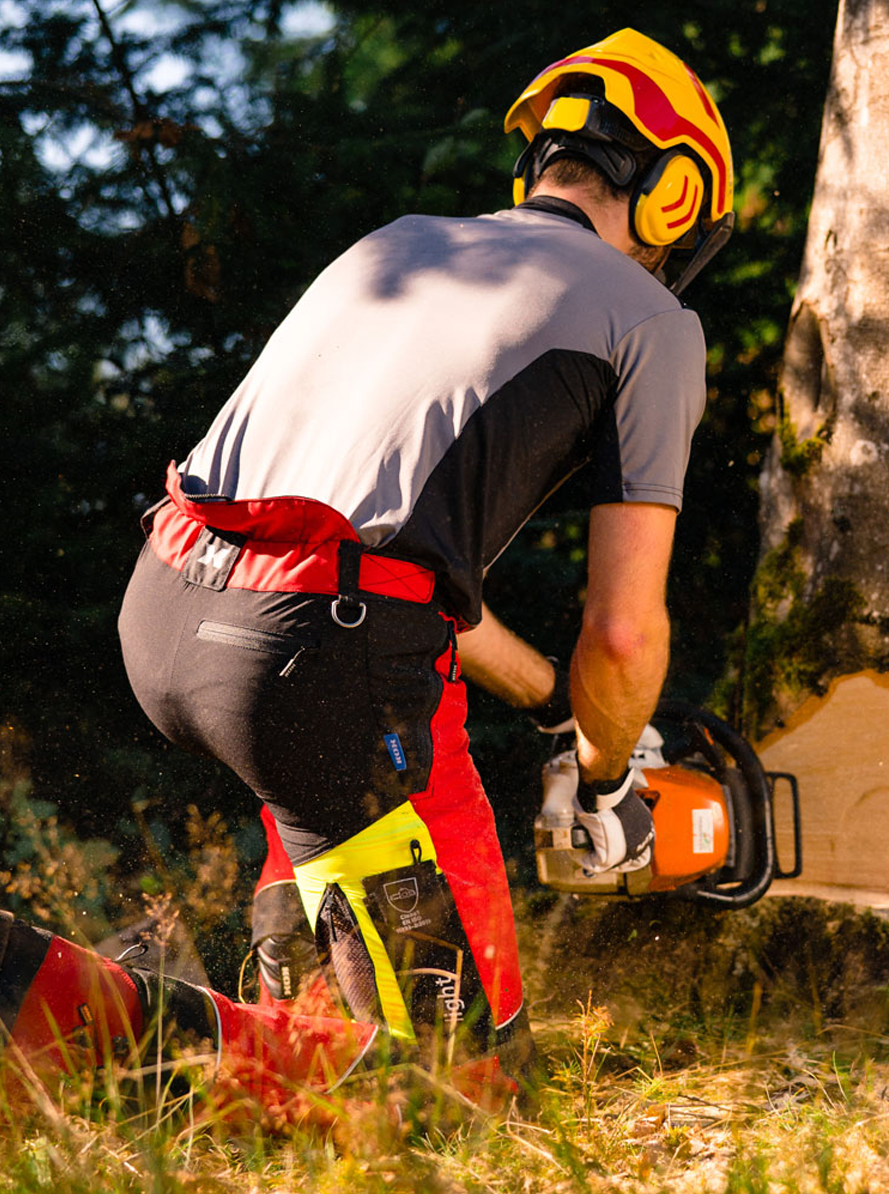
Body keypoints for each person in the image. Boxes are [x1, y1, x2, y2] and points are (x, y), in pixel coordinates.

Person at [118, 27, 735, 1107]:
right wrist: (605, 785)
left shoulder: (397, 245)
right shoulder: (653, 320)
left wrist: (557, 705)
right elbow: (625, 633)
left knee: (333, 785)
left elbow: (357, 550)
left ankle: (287, 1040)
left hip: (171, 608)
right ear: (677, 196)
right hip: (312, 656)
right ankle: (313, 1074)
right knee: (475, 1090)